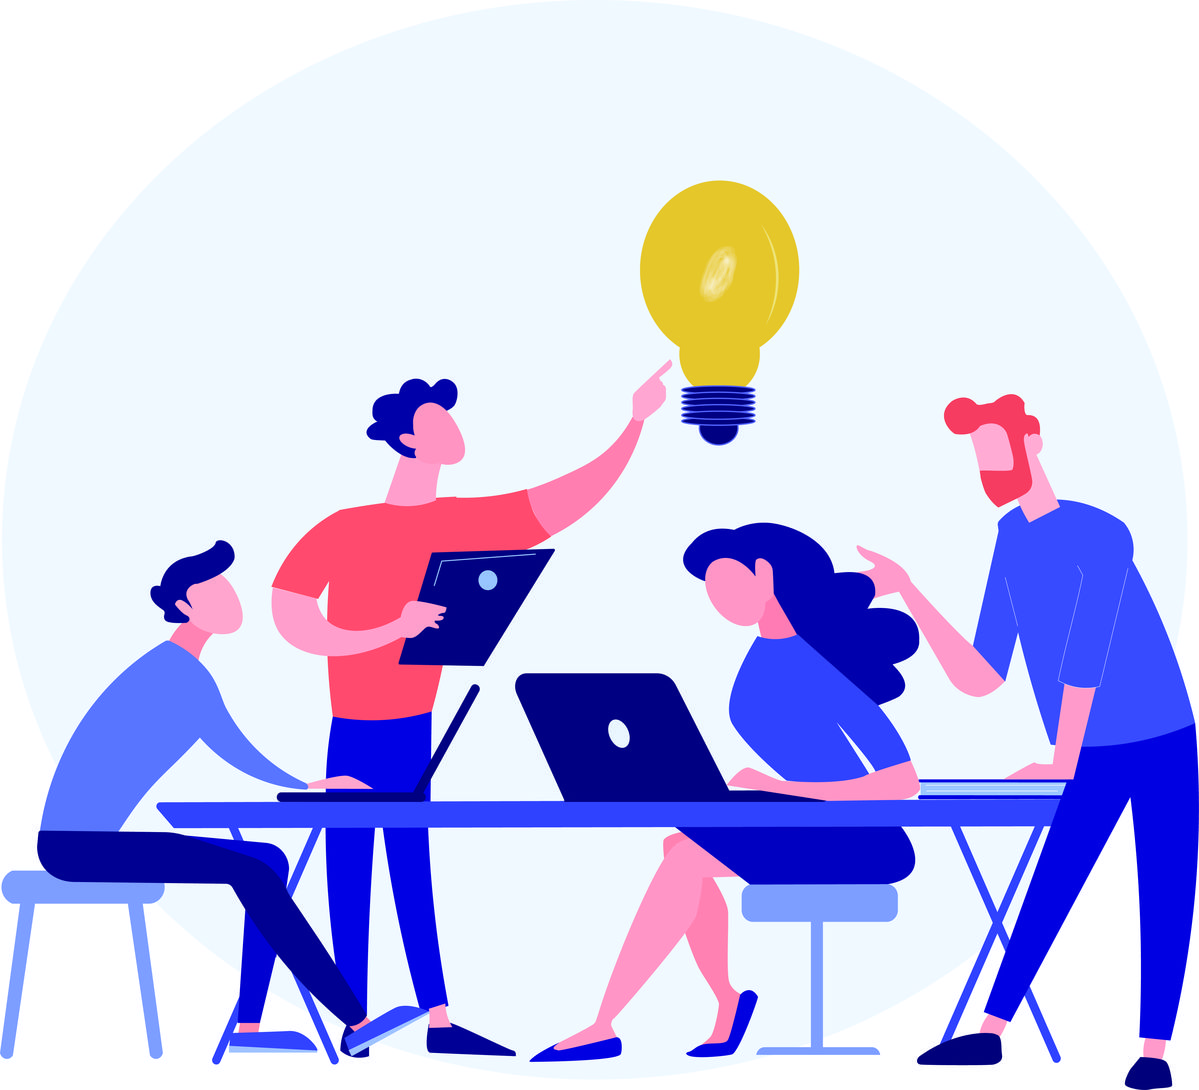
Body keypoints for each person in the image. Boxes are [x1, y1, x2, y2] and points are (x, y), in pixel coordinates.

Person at [271, 363, 672, 1057]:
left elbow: (564, 500)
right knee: (350, 868)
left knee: (411, 866)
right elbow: (291, 620)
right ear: (405, 438)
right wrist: (386, 631)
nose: (453, 428)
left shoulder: (461, 521)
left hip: (414, 726)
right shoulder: (344, 527)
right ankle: (354, 1016)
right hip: (354, 728)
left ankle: (438, 1018)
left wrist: (633, 425)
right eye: (437, 420)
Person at [859, 395, 1197, 1090]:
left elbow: (1086, 654)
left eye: (995, 449)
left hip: (1158, 736)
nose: (987, 465)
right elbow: (984, 674)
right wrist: (910, 591)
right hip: (1085, 748)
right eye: (978, 456)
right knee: (1052, 881)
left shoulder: (1103, 534)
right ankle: (991, 1033)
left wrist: (1062, 758)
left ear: (1032, 443)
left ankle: (1155, 1053)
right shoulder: (1009, 539)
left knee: (1164, 887)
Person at [531, 522, 921, 1061]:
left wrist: (777, 787)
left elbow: (902, 781)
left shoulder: (821, 665)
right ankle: (723, 1002)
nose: (715, 599)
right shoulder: (765, 654)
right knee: (680, 848)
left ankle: (605, 1024)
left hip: (861, 838)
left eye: (725, 583)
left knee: (684, 857)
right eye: (709, 589)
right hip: (799, 821)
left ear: (765, 574)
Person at [38, 540, 426, 1058]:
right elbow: (234, 749)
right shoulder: (175, 674)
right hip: (77, 848)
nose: (229, 595)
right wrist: (309, 786)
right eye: (213, 589)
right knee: (255, 872)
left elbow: (231, 747)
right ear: (184, 606)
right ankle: (356, 1021)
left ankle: (250, 1028)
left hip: (88, 841)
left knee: (267, 861)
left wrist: (309, 785)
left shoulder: (180, 670)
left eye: (227, 585)